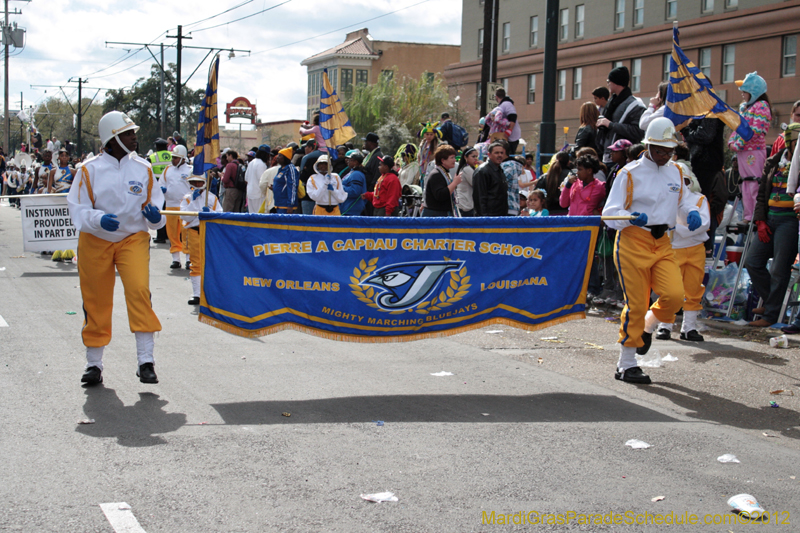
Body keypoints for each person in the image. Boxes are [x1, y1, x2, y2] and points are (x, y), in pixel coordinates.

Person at [67, 111, 166, 386]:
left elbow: (155, 207)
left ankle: (146, 361)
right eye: (127, 134)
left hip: (133, 238)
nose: (134, 137)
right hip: (95, 239)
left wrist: (157, 218)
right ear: (112, 139)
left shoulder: (144, 168)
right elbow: (77, 209)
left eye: (133, 132)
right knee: (96, 300)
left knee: (138, 291)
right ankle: (93, 365)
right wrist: (98, 219)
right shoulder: (89, 169)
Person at [602, 117, 702, 385]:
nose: (665, 156)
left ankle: (648, 326)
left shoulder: (676, 172)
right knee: (635, 304)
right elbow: (609, 214)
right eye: (660, 150)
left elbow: (684, 202)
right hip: (633, 242)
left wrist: (691, 212)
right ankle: (627, 364)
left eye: (669, 151)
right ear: (648, 146)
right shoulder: (629, 173)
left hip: (664, 243)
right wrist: (629, 217)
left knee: (675, 296)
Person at [745, 122, 799, 328]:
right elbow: (761, 196)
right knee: (753, 261)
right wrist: (760, 221)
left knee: (779, 268)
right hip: (769, 218)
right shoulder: (773, 161)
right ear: (790, 142)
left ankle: (771, 314)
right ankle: (770, 302)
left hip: (789, 220)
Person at [655, 174, 711, 342]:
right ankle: (664, 326)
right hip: (673, 249)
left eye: (685, 181)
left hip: (696, 249)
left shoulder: (699, 199)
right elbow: (663, 222)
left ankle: (689, 328)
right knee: (670, 288)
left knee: (694, 289)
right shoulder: (667, 199)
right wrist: (681, 228)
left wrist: (676, 228)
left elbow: (704, 224)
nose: (682, 185)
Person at [561, 154, 606, 299]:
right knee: (572, 257)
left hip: (589, 228)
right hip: (572, 227)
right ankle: (575, 286)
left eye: (580, 169)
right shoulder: (574, 183)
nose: (577, 172)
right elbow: (563, 203)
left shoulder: (600, 187)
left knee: (589, 258)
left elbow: (607, 204)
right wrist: (567, 185)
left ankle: (593, 288)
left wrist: (598, 212)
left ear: (589, 170)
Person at [729, 72, 771, 222]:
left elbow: (757, 131)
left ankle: (756, 214)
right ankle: (748, 214)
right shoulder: (745, 108)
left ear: (753, 92)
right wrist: (732, 142)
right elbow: (737, 127)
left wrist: (737, 144)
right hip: (743, 151)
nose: (742, 93)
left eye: (744, 90)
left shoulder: (761, 106)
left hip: (754, 151)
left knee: (754, 182)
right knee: (745, 183)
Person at [181, 174, 223, 305]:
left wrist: (209, 212)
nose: (197, 184)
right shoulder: (187, 198)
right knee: (195, 263)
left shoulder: (212, 198)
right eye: (194, 182)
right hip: (194, 232)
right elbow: (185, 217)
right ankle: (196, 294)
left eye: (199, 182)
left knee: (210, 263)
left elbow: (220, 214)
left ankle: (210, 293)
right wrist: (193, 203)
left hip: (209, 233)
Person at [595, 66, 645, 164]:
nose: (608, 84)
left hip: (624, 159)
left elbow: (638, 131)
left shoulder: (636, 104)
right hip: (607, 156)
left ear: (616, 82)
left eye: (608, 81)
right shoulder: (612, 102)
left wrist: (610, 125)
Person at [162, 145, 192, 269]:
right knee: (172, 233)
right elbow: (161, 184)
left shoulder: (190, 170)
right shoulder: (167, 170)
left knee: (187, 233)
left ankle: (189, 259)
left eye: (175, 158)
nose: (173, 160)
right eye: (173, 157)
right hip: (170, 206)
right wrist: (162, 190)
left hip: (186, 207)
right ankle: (176, 259)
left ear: (183, 158)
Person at [422, 145, 462, 217]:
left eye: (454, 157)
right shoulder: (436, 174)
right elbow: (440, 195)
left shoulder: (445, 173)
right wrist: (455, 183)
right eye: (452, 158)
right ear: (443, 160)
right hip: (435, 217)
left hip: (441, 215)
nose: (454, 160)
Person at [472, 141, 509, 216]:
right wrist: (484, 219)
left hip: (500, 216)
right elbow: (480, 198)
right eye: (496, 153)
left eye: (502, 153)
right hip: (488, 218)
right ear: (489, 154)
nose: (500, 155)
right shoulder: (482, 171)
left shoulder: (499, 170)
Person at [534, 152, 570, 216]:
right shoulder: (571, 176)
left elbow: (536, 194)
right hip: (567, 213)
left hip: (548, 213)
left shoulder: (545, 177)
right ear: (568, 162)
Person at [491, 88, 522, 155]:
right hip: (505, 135)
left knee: (508, 155)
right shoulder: (503, 105)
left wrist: (509, 130)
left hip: (511, 136)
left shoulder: (507, 104)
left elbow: (513, 116)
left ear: (496, 97)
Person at [272, 147, 299, 213]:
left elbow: (292, 186)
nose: (277, 157)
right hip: (279, 204)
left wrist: (290, 204)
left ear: (285, 157)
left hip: (286, 206)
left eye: (280, 155)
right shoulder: (281, 169)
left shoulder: (290, 169)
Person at [340, 150, 366, 216]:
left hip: (351, 208)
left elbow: (355, 192)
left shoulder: (356, 174)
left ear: (355, 162)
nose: (348, 161)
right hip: (347, 206)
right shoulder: (352, 172)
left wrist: (340, 187)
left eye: (350, 160)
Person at [246, 145, 269, 214]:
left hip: (250, 193)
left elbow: (246, 179)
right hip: (259, 194)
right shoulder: (262, 164)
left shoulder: (251, 163)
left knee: (252, 216)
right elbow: (262, 181)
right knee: (260, 216)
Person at [455, 147, 478, 216]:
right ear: (465, 157)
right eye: (473, 156)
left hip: (464, 204)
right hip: (465, 205)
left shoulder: (467, 168)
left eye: (476, 157)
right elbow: (477, 184)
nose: (475, 159)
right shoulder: (467, 169)